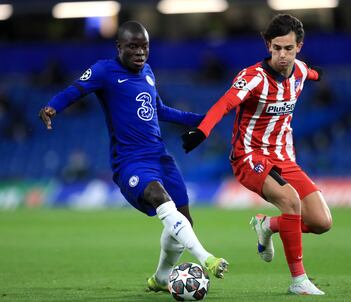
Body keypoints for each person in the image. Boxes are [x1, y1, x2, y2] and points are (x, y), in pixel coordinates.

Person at [39, 21, 228, 292]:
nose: (140, 52)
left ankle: (161, 279)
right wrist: (52, 106)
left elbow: (159, 110)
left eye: (144, 46)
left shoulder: (148, 72)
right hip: (130, 161)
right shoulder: (104, 70)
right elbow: (74, 90)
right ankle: (206, 258)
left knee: (184, 220)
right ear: (119, 47)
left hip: (160, 157)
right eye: (133, 46)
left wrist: (201, 120)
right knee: (157, 195)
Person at [182, 14, 332, 295]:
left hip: (284, 158)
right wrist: (201, 132)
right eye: (276, 48)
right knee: (290, 201)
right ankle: (299, 281)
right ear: (268, 46)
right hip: (249, 156)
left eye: (288, 48)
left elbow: (309, 72)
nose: (282, 55)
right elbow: (224, 104)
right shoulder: (253, 78)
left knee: (322, 222)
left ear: (299, 46)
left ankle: (267, 225)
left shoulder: (299, 70)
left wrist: (317, 74)